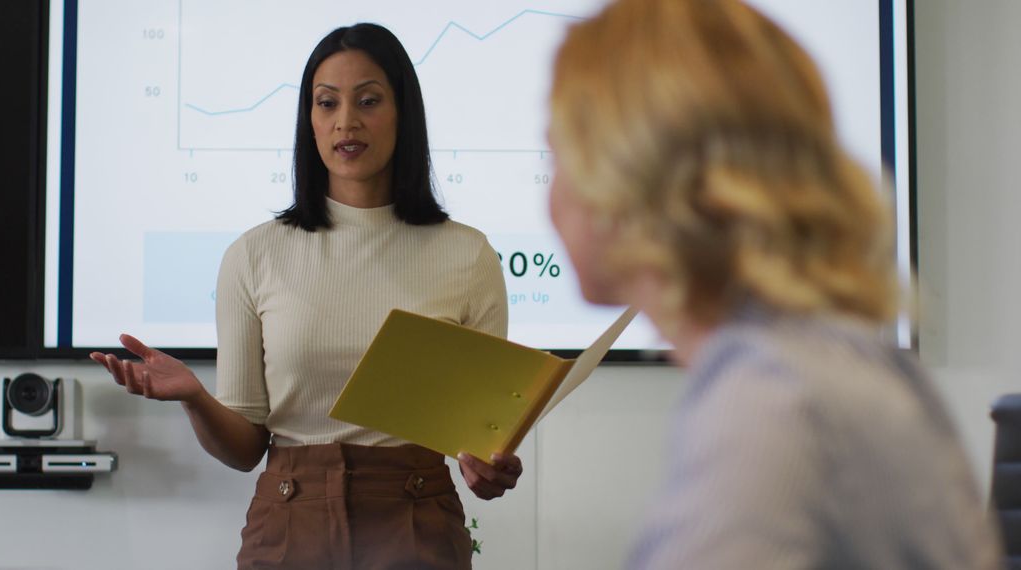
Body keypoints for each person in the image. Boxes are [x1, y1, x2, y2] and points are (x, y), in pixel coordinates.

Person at [546, 0, 1005, 568]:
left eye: (559, 154)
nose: (552, 195)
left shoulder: (768, 401)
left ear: (631, 177)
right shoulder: (846, 364)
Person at [91, 23, 522, 570]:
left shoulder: (468, 255)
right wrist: (195, 397)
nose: (347, 121)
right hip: (290, 523)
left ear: (403, 113)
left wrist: (490, 471)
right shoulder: (254, 255)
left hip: (416, 521)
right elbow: (246, 450)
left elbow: (483, 450)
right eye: (326, 103)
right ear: (310, 121)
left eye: (369, 100)